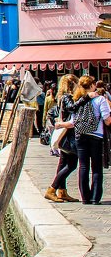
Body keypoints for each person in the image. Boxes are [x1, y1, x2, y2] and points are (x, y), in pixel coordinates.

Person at [70, 75, 111, 204]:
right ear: (93, 85)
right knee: (96, 167)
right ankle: (95, 198)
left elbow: (72, 120)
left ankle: (85, 198)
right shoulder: (100, 100)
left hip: (80, 135)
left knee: (83, 166)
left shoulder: (77, 100)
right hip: (96, 136)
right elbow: (107, 120)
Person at [46, 74, 83, 203]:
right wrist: (84, 99)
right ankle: (52, 189)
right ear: (72, 84)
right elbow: (72, 108)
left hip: (65, 135)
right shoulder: (67, 98)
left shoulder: (62, 97)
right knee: (72, 164)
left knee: (63, 163)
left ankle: (62, 191)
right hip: (69, 135)